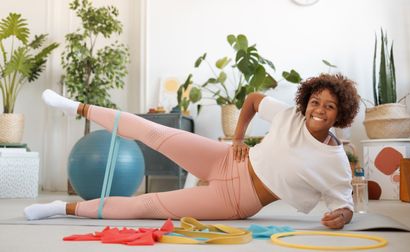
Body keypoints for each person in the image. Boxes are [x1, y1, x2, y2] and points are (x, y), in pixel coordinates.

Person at [24, 73, 360, 229]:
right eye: (315, 101)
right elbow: (254, 100)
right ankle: (76, 107)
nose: (319, 110)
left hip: (236, 200)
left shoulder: (335, 162)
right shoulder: (292, 116)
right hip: (226, 158)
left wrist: (339, 217)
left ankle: (60, 208)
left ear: (340, 113)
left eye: (329, 106)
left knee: (146, 206)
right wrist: (239, 139)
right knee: (152, 130)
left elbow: (343, 203)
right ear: (307, 101)